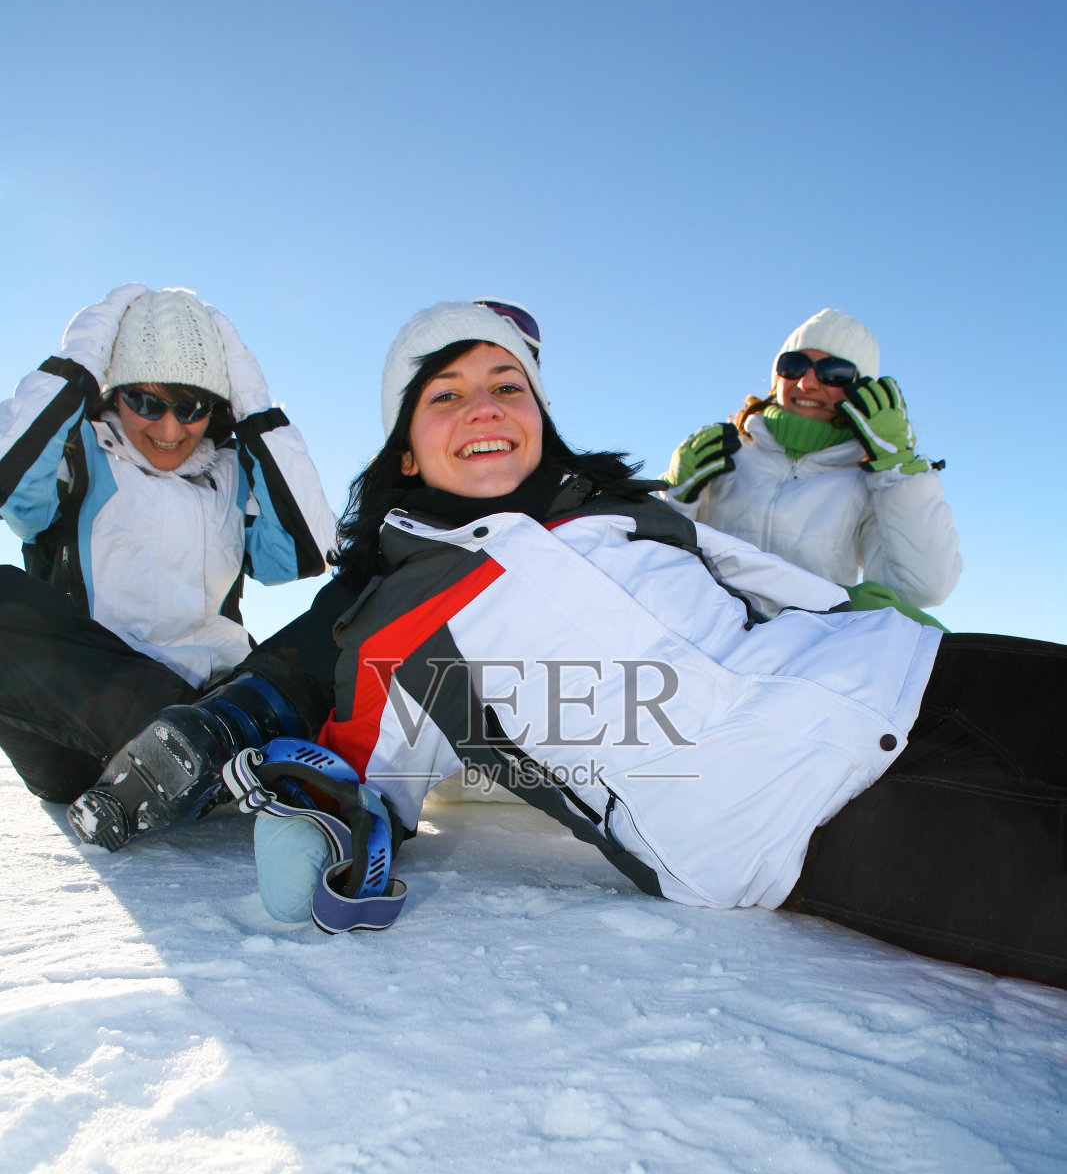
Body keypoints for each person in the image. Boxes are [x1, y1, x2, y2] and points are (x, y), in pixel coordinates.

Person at [65, 303, 1065, 988]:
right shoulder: (405, 623)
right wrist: (321, 827)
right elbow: (367, 781)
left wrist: (878, 616)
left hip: (918, 677)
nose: (486, 406)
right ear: (406, 447)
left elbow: (780, 585)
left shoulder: (618, 515)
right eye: (445, 395)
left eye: (508, 385)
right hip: (796, 815)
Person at [0, 283, 337, 823]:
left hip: (217, 709)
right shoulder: (74, 453)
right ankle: (187, 748)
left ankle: (201, 744)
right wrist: (78, 361)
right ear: (113, 392)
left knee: (347, 616)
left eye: (191, 406)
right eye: (145, 402)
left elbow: (307, 551)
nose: (168, 427)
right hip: (81, 731)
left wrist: (255, 407)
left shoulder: (231, 472)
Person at [664, 309, 962, 610]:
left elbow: (923, 589)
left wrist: (900, 470)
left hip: (805, 646)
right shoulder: (724, 454)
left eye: (834, 373)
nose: (807, 383)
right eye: (794, 366)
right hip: (703, 632)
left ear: (860, 389)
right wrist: (674, 497)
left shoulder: (869, 480)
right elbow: (653, 555)